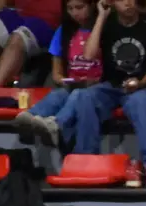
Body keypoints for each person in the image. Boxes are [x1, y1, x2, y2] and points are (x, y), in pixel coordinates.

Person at [75, 0, 146, 187]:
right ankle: (86, 159)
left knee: (139, 102)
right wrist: (101, 16)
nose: (127, 2)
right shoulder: (107, 23)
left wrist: (140, 83)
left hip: (142, 87)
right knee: (85, 97)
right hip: (111, 86)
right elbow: (88, 55)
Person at [13, 0, 101, 148]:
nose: (75, 13)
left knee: (78, 94)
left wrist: (94, 81)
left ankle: (56, 125)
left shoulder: (104, 30)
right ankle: (29, 118)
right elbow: (56, 73)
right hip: (74, 85)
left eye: (79, 7)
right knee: (58, 94)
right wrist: (64, 80)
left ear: (92, 5)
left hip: (97, 87)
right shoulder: (64, 31)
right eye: (70, 9)